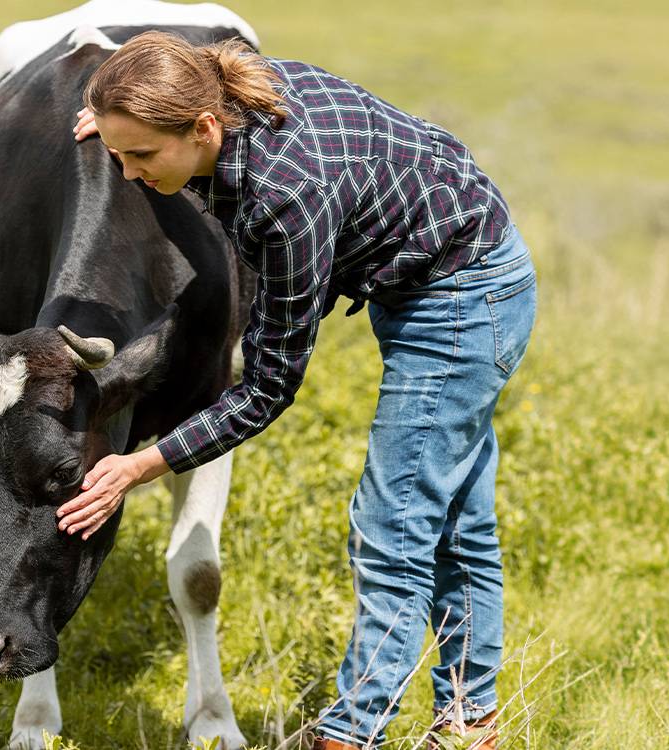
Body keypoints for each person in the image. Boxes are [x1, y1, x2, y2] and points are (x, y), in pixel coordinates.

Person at [51, 31, 534, 750]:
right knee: (456, 521)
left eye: (142, 156)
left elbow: (270, 386)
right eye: (120, 154)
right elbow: (171, 96)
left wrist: (141, 465)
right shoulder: (229, 88)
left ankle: (349, 734)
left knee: (393, 523)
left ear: (203, 128)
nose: (126, 174)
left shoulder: (284, 197)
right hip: (445, 263)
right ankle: (470, 725)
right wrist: (122, 124)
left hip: (463, 297)